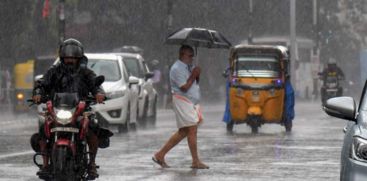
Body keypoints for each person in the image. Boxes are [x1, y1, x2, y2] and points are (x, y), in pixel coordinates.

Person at [32, 38, 106, 179]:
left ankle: (91, 164)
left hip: (81, 110)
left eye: (73, 58)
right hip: (57, 109)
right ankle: (46, 163)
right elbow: (42, 83)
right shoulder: (54, 71)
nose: (70, 60)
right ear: (62, 57)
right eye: (67, 58)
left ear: (79, 58)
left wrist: (99, 93)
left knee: (92, 126)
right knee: (43, 127)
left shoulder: (86, 73)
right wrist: (37, 93)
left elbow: (96, 85)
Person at [152, 45, 209, 169]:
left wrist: (197, 74)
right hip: (183, 101)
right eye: (190, 55)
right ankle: (195, 161)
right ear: (182, 54)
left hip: (191, 102)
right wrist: (193, 75)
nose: (192, 58)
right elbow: (184, 87)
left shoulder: (189, 67)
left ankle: (160, 155)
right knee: (192, 130)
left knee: (184, 131)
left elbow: (194, 83)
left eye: (193, 56)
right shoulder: (177, 68)